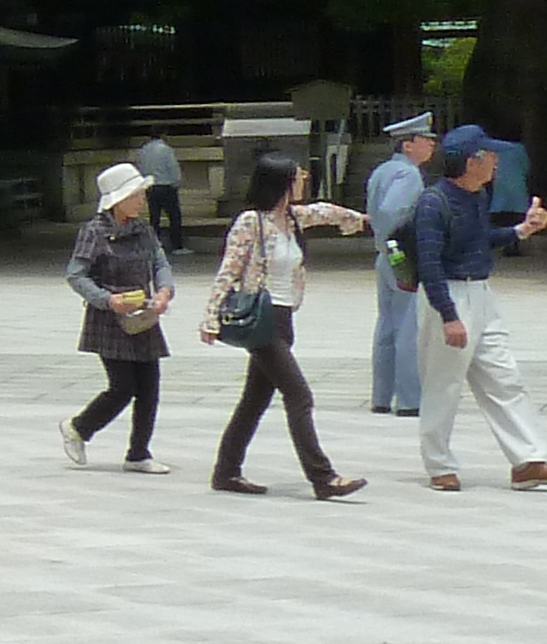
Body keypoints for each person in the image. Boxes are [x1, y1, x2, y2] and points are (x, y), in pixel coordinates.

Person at [411, 125, 547, 492]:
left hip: (481, 293)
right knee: (444, 384)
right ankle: (439, 464)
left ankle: (528, 461)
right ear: (473, 161)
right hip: (449, 296)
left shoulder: (476, 196)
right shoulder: (433, 202)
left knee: (505, 377)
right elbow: (429, 263)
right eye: (490, 154)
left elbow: (480, 239)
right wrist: (449, 316)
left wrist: (521, 230)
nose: (496, 161)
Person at [199, 154, 371, 498]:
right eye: (298, 176)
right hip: (261, 321)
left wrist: (358, 219)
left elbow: (325, 212)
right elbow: (229, 269)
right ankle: (323, 478)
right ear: (281, 182)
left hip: (284, 317)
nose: (303, 180)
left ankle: (226, 472)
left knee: (254, 401)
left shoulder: (292, 218)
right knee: (299, 395)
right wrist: (210, 317)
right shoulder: (251, 222)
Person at [62, 161, 179, 472]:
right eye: (137, 195)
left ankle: (139, 453)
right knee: (122, 386)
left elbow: (159, 263)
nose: (142, 200)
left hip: (142, 315)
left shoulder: (143, 230)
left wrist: (164, 291)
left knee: (150, 385)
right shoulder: (94, 232)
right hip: (109, 318)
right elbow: (76, 274)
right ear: (118, 200)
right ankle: (79, 427)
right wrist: (107, 299)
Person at [366, 113, 436, 414]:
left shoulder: (383, 170)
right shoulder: (408, 175)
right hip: (402, 255)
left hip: (385, 254)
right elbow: (392, 210)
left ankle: (382, 396)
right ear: (408, 145)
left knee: (388, 324)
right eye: (426, 140)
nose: (431, 145)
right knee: (408, 325)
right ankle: (410, 400)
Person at [135, 132, 188, 257]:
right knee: (174, 217)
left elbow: (140, 168)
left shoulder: (143, 151)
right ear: (163, 135)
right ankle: (177, 245)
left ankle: (154, 245)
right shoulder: (166, 150)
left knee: (154, 217)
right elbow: (173, 167)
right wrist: (176, 182)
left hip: (150, 187)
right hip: (166, 186)